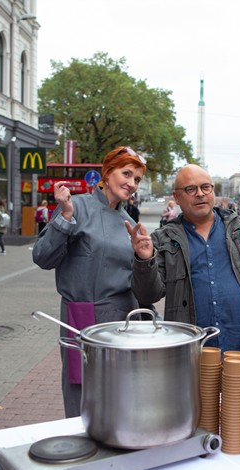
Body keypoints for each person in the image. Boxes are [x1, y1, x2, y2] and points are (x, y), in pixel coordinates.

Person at [126, 164, 240, 379]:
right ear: (176, 197)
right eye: (190, 189)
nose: (200, 194)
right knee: (201, 413)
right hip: (194, 358)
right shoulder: (164, 239)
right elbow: (148, 295)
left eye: (206, 187)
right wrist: (144, 259)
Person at [33, 146, 147, 418]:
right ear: (107, 174)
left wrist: (145, 256)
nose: (131, 184)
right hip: (84, 317)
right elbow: (42, 257)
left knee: (118, 398)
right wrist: (66, 217)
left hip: (122, 321)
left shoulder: (128, 221)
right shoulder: (77, 206)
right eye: (126, 174)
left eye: (138, 179)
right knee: (82, 398)